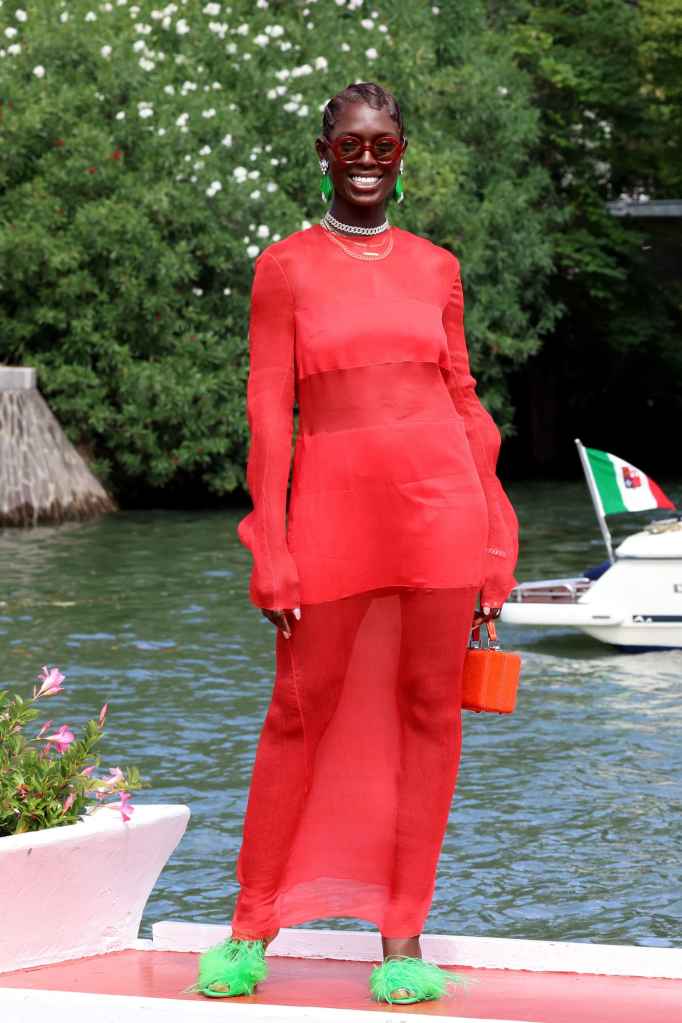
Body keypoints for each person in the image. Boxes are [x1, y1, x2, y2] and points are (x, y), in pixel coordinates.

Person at [191, 81, 519, 1005]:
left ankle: (403, 938)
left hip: (442, 512)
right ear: (324, 151)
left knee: (430, 717)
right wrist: (272, 542)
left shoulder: (437, 267)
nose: (368, 159)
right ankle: (252, 926)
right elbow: (267, 414)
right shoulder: (285, 268)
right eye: (351, 145)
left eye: (385, 144)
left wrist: (497, 530)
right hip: (330, 515)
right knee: (297, 713)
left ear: (403, 152)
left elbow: (461, 399)